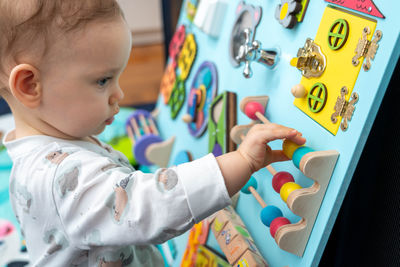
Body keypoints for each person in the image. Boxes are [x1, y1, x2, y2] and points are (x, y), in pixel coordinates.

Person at [0, 0, 306, 266]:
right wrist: (242, 161)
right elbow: (148, 206)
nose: (119, 93)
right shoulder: (60, 178)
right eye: (102, 81)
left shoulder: (35, 146)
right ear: (29, 85)